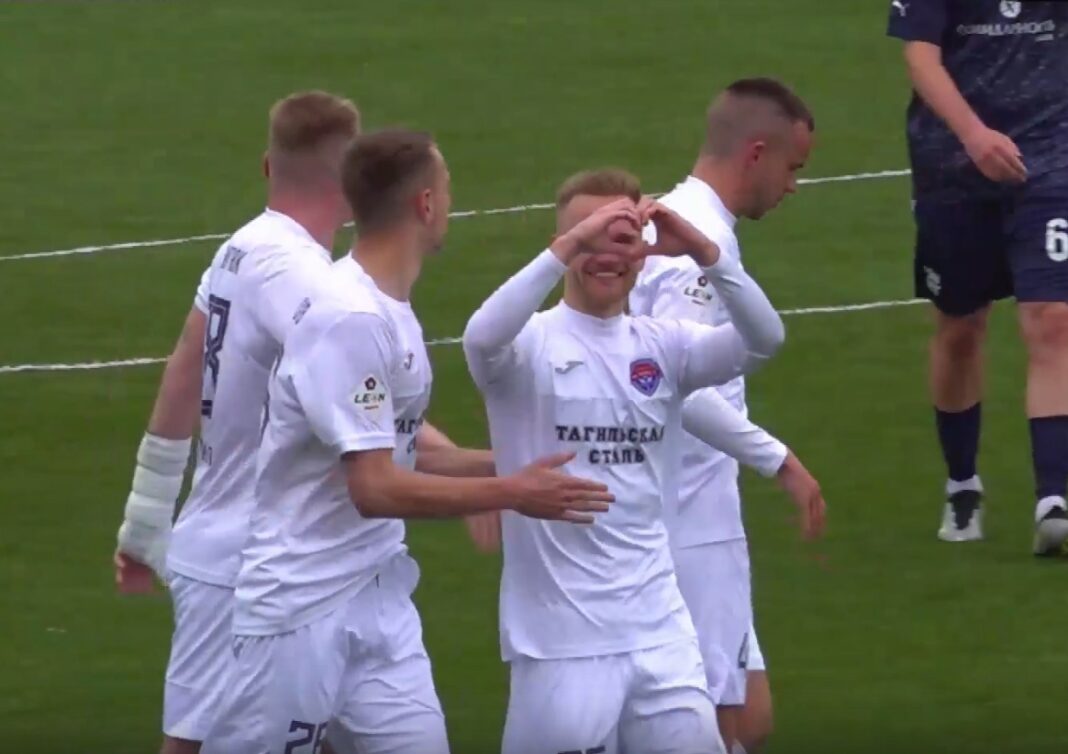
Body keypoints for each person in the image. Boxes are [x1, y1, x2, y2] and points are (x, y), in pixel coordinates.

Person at [200, 130, 614, 754]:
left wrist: (521, 465)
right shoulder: (351, 318)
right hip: (299, 611)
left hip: (378, 597)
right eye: (446, 189)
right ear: (425, 204)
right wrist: (511, 492)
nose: (450, 202)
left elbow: (405, 446)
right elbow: (374, 487)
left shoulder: (386, 309)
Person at [463, 168, 814, 754]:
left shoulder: (664, 346)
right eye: (587, 237)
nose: (605, 254)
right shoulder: (527, 349)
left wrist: (702, 249)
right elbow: (480, 337)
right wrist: (571, 245)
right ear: (562, 244)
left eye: (621, 238)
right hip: (562, 647)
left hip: (662, 637)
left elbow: (765, 339)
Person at [113, 90, 361, 754]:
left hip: (233, 547)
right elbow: (346, 393)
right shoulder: (298, 274)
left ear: (267, 166)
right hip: (256, 563)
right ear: (352, 180)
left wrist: (145, 518)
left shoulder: (241, 247)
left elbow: (183, 370)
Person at [628, 77, 820, 754]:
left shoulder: (687, 224)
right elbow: (669, 382)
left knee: (747, 717)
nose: (793, 186)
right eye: (793, 168)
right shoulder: (696, 247)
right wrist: (777, 458)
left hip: (684, 508)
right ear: (756, 153)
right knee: (720, 724)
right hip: (689, 516)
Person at [886, 0, 1068, 553]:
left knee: (1054, 318)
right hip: (953, 168)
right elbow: (920, 56)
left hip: (1051, 160)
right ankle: (962, 483)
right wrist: (973, 135)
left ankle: (1054, 499)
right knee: (960, 329)